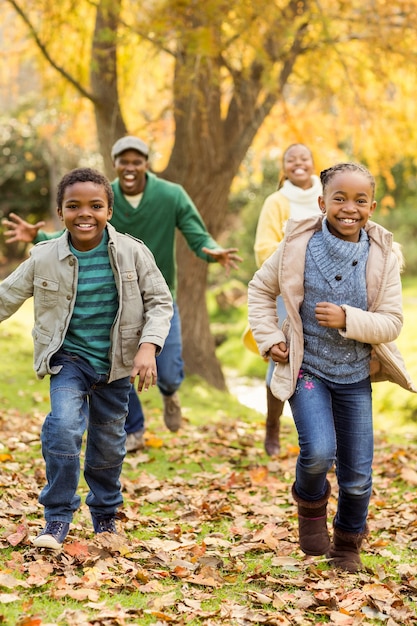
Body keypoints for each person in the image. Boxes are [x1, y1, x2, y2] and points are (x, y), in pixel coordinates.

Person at [2, 136, 242, 452]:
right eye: (123, 161)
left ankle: (170, 394)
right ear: (115, 164)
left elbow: (195, 233)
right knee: (120, 359)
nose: (130, 167)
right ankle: (134, 429)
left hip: (158, 295)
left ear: (146, 163)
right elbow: (80, 231)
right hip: (118, 304)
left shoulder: (170, 195)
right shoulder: (99, 193)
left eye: (136, 161)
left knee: (167, 372)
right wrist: (41, 236)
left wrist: (211, 251)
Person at [248, 162, 416, 572]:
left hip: (355, 375)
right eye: (339, 198)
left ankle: (346, 543)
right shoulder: (297, 246)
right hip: (308, 370)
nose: (349, 207)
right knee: (319, 451)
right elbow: (259, 289)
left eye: (360, 200)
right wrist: (271, 339)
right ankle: (309, 506)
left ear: (372, 206)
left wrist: (348, 319)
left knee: (357, 476)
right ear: (322, 202)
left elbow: (393, 322)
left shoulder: (383, 257)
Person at [0, 168, 173, 549]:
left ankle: (105, 517)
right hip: (69, 360)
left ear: (109, 210)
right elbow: (6, 296)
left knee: (108, 446)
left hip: (116, 363)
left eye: (95, 205)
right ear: (60, 212)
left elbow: (160, 302)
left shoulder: (132, 251)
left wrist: (148, 346)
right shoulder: (44, 257)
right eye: (73, 205)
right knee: (62, 428)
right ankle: (57, 518)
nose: (85, 213)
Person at [253, 143, 322, 457]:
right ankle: (273, 426)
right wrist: (296, 264)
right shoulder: (277, 201)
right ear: (284, 167)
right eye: (291, 159)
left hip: (325, 290)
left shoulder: (327, 193)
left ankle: (322, 437)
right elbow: (263, 247)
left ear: (312, 163)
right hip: (287, 288)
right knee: (283, 356)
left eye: (303, 158)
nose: (298, 163)